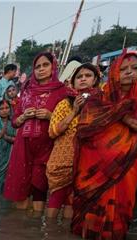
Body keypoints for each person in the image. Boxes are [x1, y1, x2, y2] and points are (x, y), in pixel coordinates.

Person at [72, 51, 137, 240]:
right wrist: (115, 112)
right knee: (86, 225)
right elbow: (83, 131)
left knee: (118, 219)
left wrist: (127, 119)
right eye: (123, 69)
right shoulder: (98, 99)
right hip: (93, 170)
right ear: (114, 72)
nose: (129, 72)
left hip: (126, 167)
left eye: (134, 68)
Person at [3, 52, 69, 211]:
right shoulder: (26, 91)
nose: (41, 69)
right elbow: (15, 121)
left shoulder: (62, 91)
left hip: (47, 145)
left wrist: (50, 115)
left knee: (39, 186)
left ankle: (35, 227)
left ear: (53, 67)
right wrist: (23, 117)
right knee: (21, 188)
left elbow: (70, 120)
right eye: (38, 66)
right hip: (23, 145)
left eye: (45, 65)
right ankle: (22, 230)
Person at [46, 63, 101, 220]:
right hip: (62, 162)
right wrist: (75, 110)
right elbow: (52, 132)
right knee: (56, 200)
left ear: (95, 80)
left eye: (88, 76)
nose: (83, 79)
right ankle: (48, 238)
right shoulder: (65, 104)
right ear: (73, 81)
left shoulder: (100, 104)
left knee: (72, 201)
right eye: (79, 77)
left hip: (87, 162)